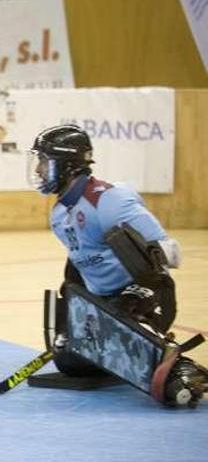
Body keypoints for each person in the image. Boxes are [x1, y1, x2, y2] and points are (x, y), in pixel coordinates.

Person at [28, 124, 207, 406]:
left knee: (119, 337)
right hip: (104, 303)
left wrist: (137, 294)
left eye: (43, 161)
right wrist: (72, 312)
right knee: (68, 362)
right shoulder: (59, 215)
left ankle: (182, 368)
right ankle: (126, 357)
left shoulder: (109, 200)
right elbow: (77, 265)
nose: (38, 170)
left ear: (67, 165)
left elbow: (170, 253)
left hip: (146, 297)